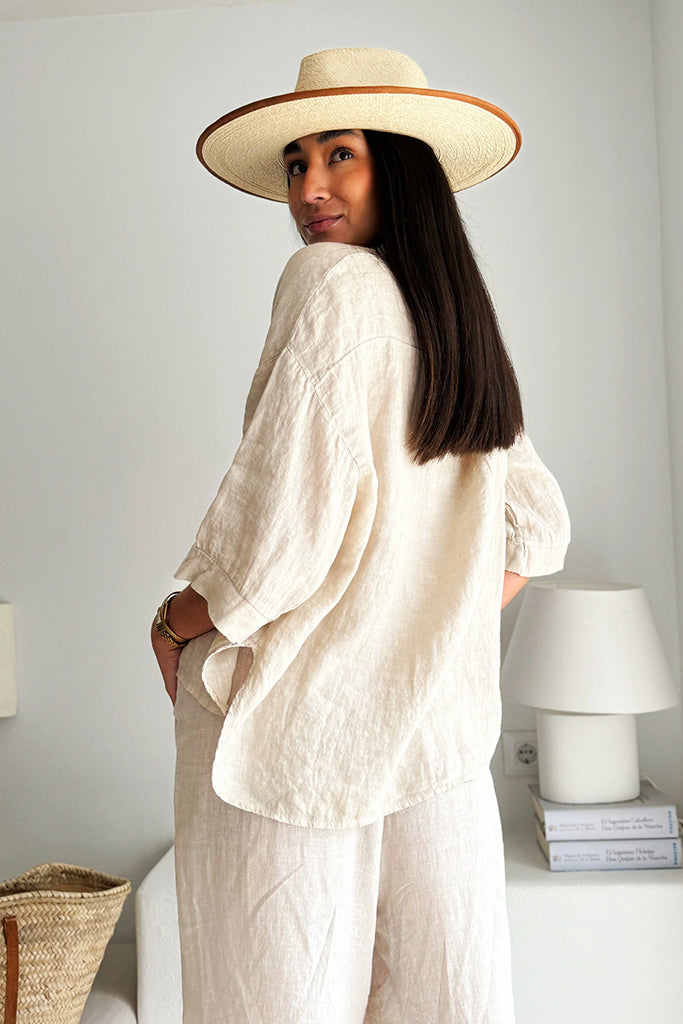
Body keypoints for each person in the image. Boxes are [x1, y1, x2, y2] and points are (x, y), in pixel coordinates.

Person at [151, 47, 570, 1024]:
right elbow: (535, 525)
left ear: (401, 164)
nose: (309, 188)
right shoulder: (452, 318)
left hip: (302, 738)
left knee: (278, 997)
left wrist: (176, 621)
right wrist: (414, 622)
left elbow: (276, 540)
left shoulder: (330, 284)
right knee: (438, 996)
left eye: (339, 153)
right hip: (431, 737)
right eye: (297, 162)